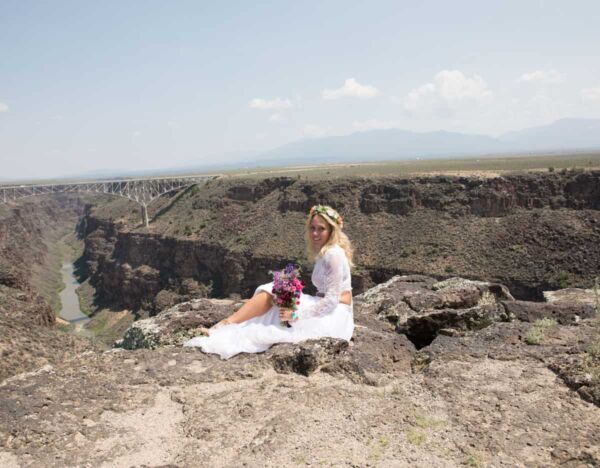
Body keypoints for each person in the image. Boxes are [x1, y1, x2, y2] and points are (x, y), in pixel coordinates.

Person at [183, 204, 355, 359]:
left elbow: (332, 300)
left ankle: (225, 325)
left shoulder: (333, 255)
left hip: (333, 314)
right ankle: (227, 325)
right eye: (313, 228)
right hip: (331, 308)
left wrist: (296, 315)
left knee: (273, 293)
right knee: (277, 295)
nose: (315, 233)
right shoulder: (327, 252)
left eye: (321, 229)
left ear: (332, 230)